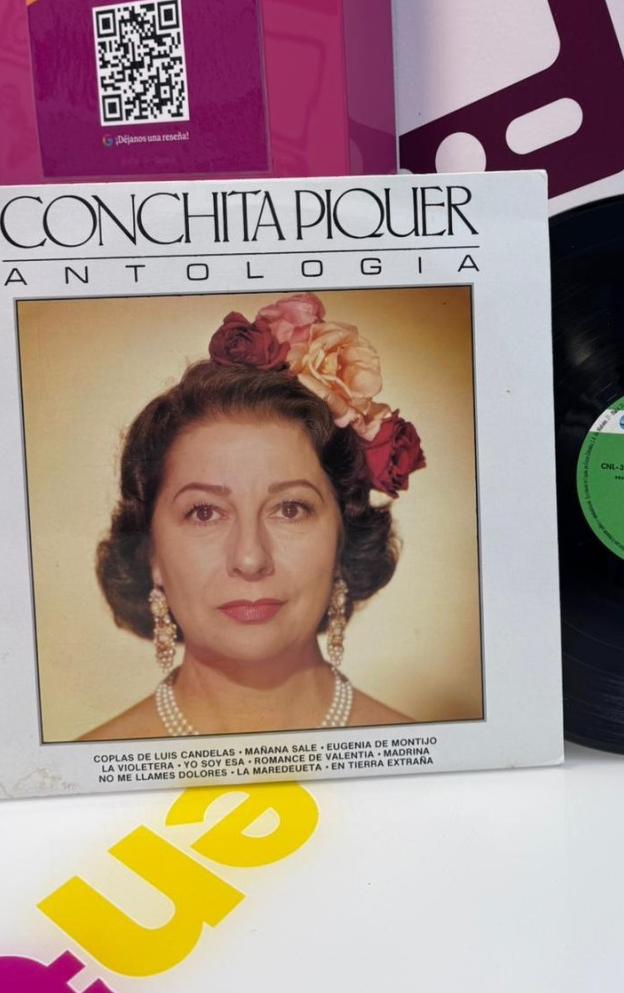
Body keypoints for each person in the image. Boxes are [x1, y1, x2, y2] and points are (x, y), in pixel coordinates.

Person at [82, 293, 425, 740]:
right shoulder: (79, 767)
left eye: (290, 509)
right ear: (152, 553)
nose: (250, 558)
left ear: (344, 537)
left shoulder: (431, 760)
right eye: (204, 512)